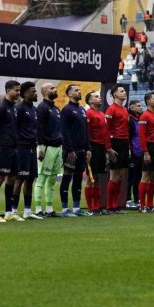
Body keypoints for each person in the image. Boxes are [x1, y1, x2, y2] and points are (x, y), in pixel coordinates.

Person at [0, 80, 21, 222]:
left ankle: (9, 212)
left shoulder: (14, 107)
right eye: (16, 90)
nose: (18, 93)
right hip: (3, 148)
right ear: (8, 90)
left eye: (19, 90)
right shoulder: (1, 108)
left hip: (14, 148)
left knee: (12, 179)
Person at [60, 84, 90, 217]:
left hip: (82, 150)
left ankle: (76, 208)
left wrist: (88, 148)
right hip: (70, 151)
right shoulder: (66, 110)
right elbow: (64, 132)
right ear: (70, 94)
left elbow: (85, 130)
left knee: (78, 178)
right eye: (76, 90)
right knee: (67, 177)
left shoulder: (82, 109)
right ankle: (65, 209)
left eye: (79, 90)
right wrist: (69, 149)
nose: (79, 92)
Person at [14, 81, 42, 220]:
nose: (35, 93)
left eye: (35, 91)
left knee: (30, 179)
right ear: (25, 93)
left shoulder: (35, 109)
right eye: (32, 91)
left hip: (32, 148)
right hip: (22, 148)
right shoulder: (19, 108)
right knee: (19, 179)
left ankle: (27, 210)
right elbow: (14, 128)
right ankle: (13, 211)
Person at [34, 83, 63, 217]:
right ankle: (38, 209)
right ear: (45, 92)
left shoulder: (56, 108)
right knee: (42, 178)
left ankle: (50, 208)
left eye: (54, 87)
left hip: (58, 147)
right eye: (52, 88)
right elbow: (39, 128)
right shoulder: (42, 107)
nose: (55, 89)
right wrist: (40, 147)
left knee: (52, 179)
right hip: (47, 147)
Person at [85, 91, 112, 215]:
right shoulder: (89, 114)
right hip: (93, 147)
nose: (100, 98)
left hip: (101, 148)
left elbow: (106, 133)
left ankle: (97, 207)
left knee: (99, 177)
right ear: (90, 101)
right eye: (96, 97)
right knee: (91, 178)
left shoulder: (102, 114)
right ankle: (91, 208)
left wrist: (107, 149)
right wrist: (88, 149)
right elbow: (87, 133)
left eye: (99, 96)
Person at [105, 84, 130, 214]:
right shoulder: (111, 110)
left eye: (124, 90)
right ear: (115, 95)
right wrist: (108, 148)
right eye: (121, 91)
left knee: (121, 175)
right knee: (114, 175)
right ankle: (110, 206)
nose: (124, 92)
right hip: (115, 143)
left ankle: (117, 205)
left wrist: (129, 147)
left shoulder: (125, 110)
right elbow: (106, 129)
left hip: (124, 143)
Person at [126, 101, 143, 209]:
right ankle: (127, 200)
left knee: (138, 177)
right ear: (132, 108)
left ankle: (137, 199)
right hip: (133, 152)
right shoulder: (130, 120)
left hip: (141, 151)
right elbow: (128, 136)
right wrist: (129, 149)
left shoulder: (141, 119)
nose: (141, 107)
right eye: (138, 106)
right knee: (130, 178)